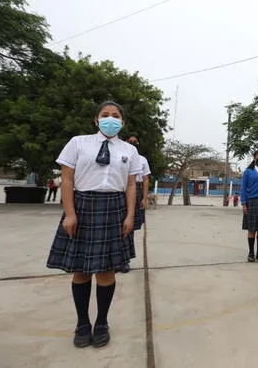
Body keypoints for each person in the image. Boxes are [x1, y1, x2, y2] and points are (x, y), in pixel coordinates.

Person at [46, 101, 142, 348]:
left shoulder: (129, 151)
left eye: (116, 116)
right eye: (105, 115)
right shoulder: (78, 143)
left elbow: (131, 185)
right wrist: (70, 213)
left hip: (114, 208)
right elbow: (66, 180)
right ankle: (82, 324)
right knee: (81, 270)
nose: (111, 119)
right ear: (96, 120)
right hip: (83, 205)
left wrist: (130, 216)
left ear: (123, 122)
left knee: (106, 271)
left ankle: (101, 322)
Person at [118, 133, 151, 274]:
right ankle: (113, 259)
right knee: (116, 225)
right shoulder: (119, 155)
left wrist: (144, 198)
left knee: (129, 227)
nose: (133, 143)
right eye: (130, 141)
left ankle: (125, 260)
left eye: (135, 142)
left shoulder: (142, 159)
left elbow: (145, 180)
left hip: (135, 190)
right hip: (119, 189)